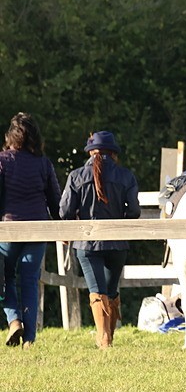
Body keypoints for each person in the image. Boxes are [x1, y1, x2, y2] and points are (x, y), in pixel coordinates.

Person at [60, 131, 140, 348]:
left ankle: (104, 339)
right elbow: (134, 211)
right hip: (117, 243)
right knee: (111, 291)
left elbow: (65, 211)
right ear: (113, 153)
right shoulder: (126, 176)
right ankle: (108, 336)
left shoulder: (76, 176)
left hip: (86, 244)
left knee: (96, 290)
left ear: (90, 152)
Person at [0, 113, 61, 347]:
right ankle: (29, 339)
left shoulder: (3, 161)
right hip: (38, 229)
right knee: (30, 281)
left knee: (5, 278)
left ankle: (14, 320)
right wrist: (63, 229)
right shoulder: (43, 163)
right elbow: (55, 202)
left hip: (9, 229)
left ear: (10, 136)